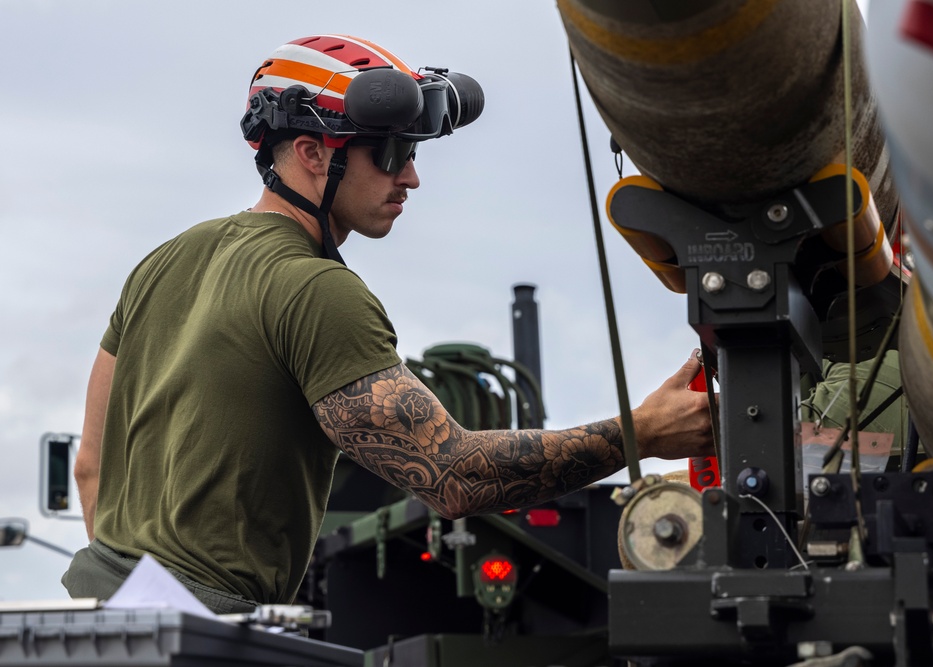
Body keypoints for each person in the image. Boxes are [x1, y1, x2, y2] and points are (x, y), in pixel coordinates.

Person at [62, 34, 714, 614]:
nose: (412, 176)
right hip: (205, 626)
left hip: (90, 607)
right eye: (391, 151)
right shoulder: (316, 290)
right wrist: (642, 432)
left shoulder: (166, 260)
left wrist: (129, 612)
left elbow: (90, 465)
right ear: (312, 153)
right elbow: (454, 476)